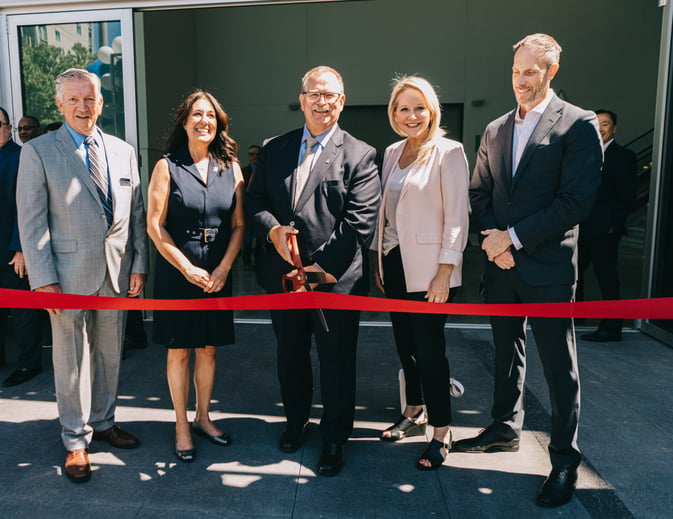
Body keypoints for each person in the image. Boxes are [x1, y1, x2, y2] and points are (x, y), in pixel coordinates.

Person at [459, 34, 603, 508]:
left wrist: (513, 238)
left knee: (560, 369)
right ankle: (504, 428)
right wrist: (492, 240)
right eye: (515, 71)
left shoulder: (578, 124)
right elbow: (479, 193)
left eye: (530, 72)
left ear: (551, 71)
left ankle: (564, 462)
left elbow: (575, 202)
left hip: (547, 270)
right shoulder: (496, 128)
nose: (521, 80)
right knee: (505, 353)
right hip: (502, 267)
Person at [246, 65, 381, 476]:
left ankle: (336, 437)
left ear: (342, 101)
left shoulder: (360, 153)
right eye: (314, 94)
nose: (322, 102)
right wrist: (272, 232)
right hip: (282, 279)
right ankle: (295, 422)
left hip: (335, 282)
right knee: (290, 356)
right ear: (301, 99)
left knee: (337, 361)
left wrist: (317, 269)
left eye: (331, 96)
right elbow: (254, 202)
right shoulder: (274, 148)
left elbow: (359, 222)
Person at [16, 68, 149, 483]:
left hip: (116, 273)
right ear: (59, 104)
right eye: (73, 99)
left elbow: (137, 215)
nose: (82, 106)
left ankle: (104, 421)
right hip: (65, 277)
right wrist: (43, 280)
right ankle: (75, 440)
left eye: (89, 98)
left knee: (110, 354)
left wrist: (140, 264)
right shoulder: (37, 152)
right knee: (70, 362)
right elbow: (33, 221)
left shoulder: (124, 150)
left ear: (102, 103)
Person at [371, 76, 470, 470]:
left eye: (418, 108)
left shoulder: (449, 152)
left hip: (431, 271)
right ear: (393, 114)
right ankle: (414, 410)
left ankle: (443, 432)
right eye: (402, 108)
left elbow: (457, 216)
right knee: (404, 345)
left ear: (432, 111)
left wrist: (445, 272)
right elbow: (386, 213)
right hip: (394, 263)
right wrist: (380, 259)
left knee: (430, 351)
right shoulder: (393, 151)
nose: (411, 116)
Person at [146, 90, 244, 463]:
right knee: (180, 350)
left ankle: (204, 417)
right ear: (184, 122)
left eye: (211, 115)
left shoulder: (231, 167)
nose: (204, 121)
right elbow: (155, 227)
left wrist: (223, 268)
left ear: (218, 123)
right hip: (178, 271)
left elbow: (238, 226)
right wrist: (185, 267)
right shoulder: (166, 166)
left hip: (218, 270)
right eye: (197, 115)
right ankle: (182, 424)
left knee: (209, 348)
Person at [578, 109, 637, 342]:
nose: (600, 128)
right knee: (574, 277)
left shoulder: (624, 156)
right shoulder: (583, 155)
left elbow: (627, 195)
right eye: (596, 124)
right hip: (580, 228)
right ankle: (575, 319)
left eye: (605, 124)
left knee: (607, 279)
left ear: (614, 128)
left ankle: (612, 328)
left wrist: (615, 224)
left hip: (605, 231)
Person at [0, 107, 43, 387]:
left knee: (23, 310)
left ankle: (29, 364)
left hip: (12, 250)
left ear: (8, 128)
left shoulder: (20, 157)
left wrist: (21, 249)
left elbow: (26, 207)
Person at [241, 144, 261, 269]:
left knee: (260, 239)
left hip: (260, 211)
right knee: (247, 239)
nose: (254, 157)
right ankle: (247, 262)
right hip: (246, 211)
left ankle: (259, 263)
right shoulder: (243, 172)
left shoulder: (266, 170)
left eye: (257, 154)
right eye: (251, 154)